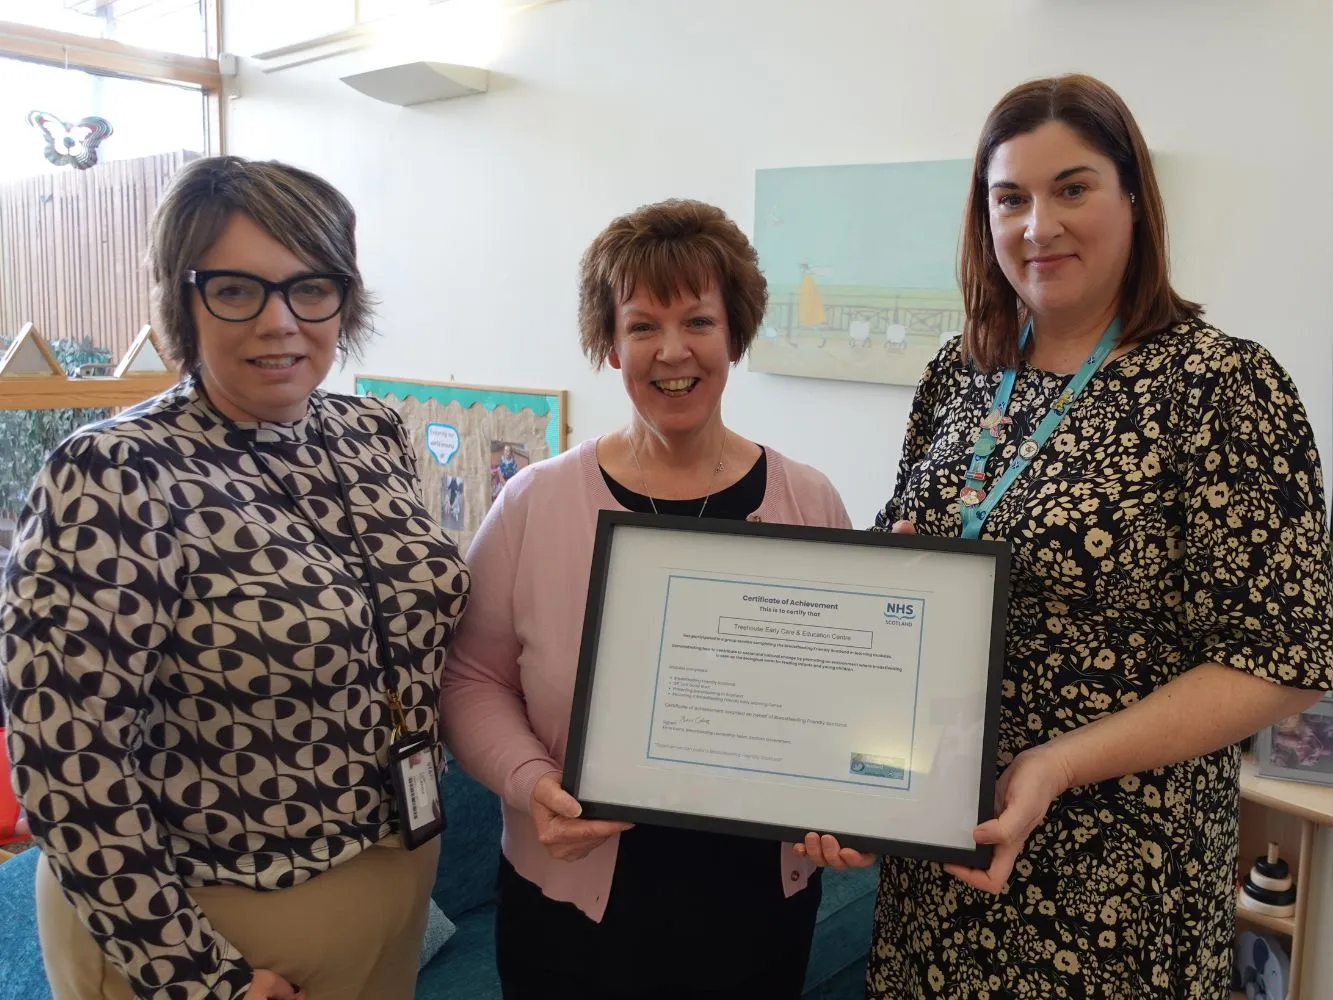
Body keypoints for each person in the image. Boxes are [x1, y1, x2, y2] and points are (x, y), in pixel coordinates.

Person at [867, 73, 1333, 998]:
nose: (1037, 225)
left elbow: (1284, 657)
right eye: (1010, 198)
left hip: (1117, 882)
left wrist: (1057, 763)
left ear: (1132, 198)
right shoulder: (956, 380)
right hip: (939, 863)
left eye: (1070, 188)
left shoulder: (1220, 386)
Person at [1, 155, 470, 1000]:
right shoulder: (115, 471)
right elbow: (64, 758)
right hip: (216, 928)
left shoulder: (371, 431)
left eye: (309, 288)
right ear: (183, 300)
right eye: (236, 290)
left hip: (395, 875)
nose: (280, 321)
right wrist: (196, 978)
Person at [440, 198, 872, 1000]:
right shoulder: (534, 503)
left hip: (757, 912)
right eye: (642, 325)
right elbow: (470, 679)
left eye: (698, 321)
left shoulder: (808, 499)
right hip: (572, 912)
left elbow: (841, 696)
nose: (672, 351)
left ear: (734, 333)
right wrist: (532, 783)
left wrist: (859, 804)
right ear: (610, 343)